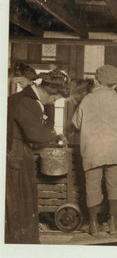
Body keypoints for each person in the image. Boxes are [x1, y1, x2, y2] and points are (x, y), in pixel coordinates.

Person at [5, 68, 70, 244]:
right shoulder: (26, 102)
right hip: (14, 154)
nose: (55, 101)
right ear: (48, 91)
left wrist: (51, 130)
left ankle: (23, 242)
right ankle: (20, 244)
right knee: (19, 202)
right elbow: (34, 134)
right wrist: (54, 136)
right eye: (55, 98)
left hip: (18, 152)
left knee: (22, 202)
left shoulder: (30, 100)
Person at [72, 65, 117, 237]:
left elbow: (76, 123)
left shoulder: (87, 100)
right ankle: (113, 223)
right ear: (115, 84)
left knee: (92, 187)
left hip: (92, 151)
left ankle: (93, 224)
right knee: (115, 185)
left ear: (97, 81)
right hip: (115, 150)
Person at [64, 78, 94, 145]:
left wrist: (71, 128)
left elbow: (76, 125)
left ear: (83, 93)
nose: (71, 99)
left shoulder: (86, 102)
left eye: (75, 96)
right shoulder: (82, 102)